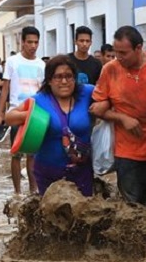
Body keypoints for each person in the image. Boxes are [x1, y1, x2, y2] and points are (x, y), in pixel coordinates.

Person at [89, 26, 146, 205]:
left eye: (123, 53)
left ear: (139, 48)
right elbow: (97, 108)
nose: (119, 58)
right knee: (131, 210)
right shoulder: (110, 70)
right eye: (116, 53)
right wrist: (122, 118)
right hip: (127, 153)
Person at [5, 55, 94, 196]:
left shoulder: (87, 93)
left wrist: (102, 108)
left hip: (82, 172)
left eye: (69, 76)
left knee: (84, 212)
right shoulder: (40, 100)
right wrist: (30, 117)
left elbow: (111, 97)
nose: (64, 81)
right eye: (58, 77)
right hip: (48, 172)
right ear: (50, 80)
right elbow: (9, 117)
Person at [0, 26, 45, 195]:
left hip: (35, 115)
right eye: (29, 42)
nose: (33, 46)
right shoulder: (12, 62)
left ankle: (33, 190)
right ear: (22, 42)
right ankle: (17, 192)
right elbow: (5, 89)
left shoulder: (42, 65)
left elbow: (44, 92)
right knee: (16, 154)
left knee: (32, 155)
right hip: (16, 112)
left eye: (36, 42)